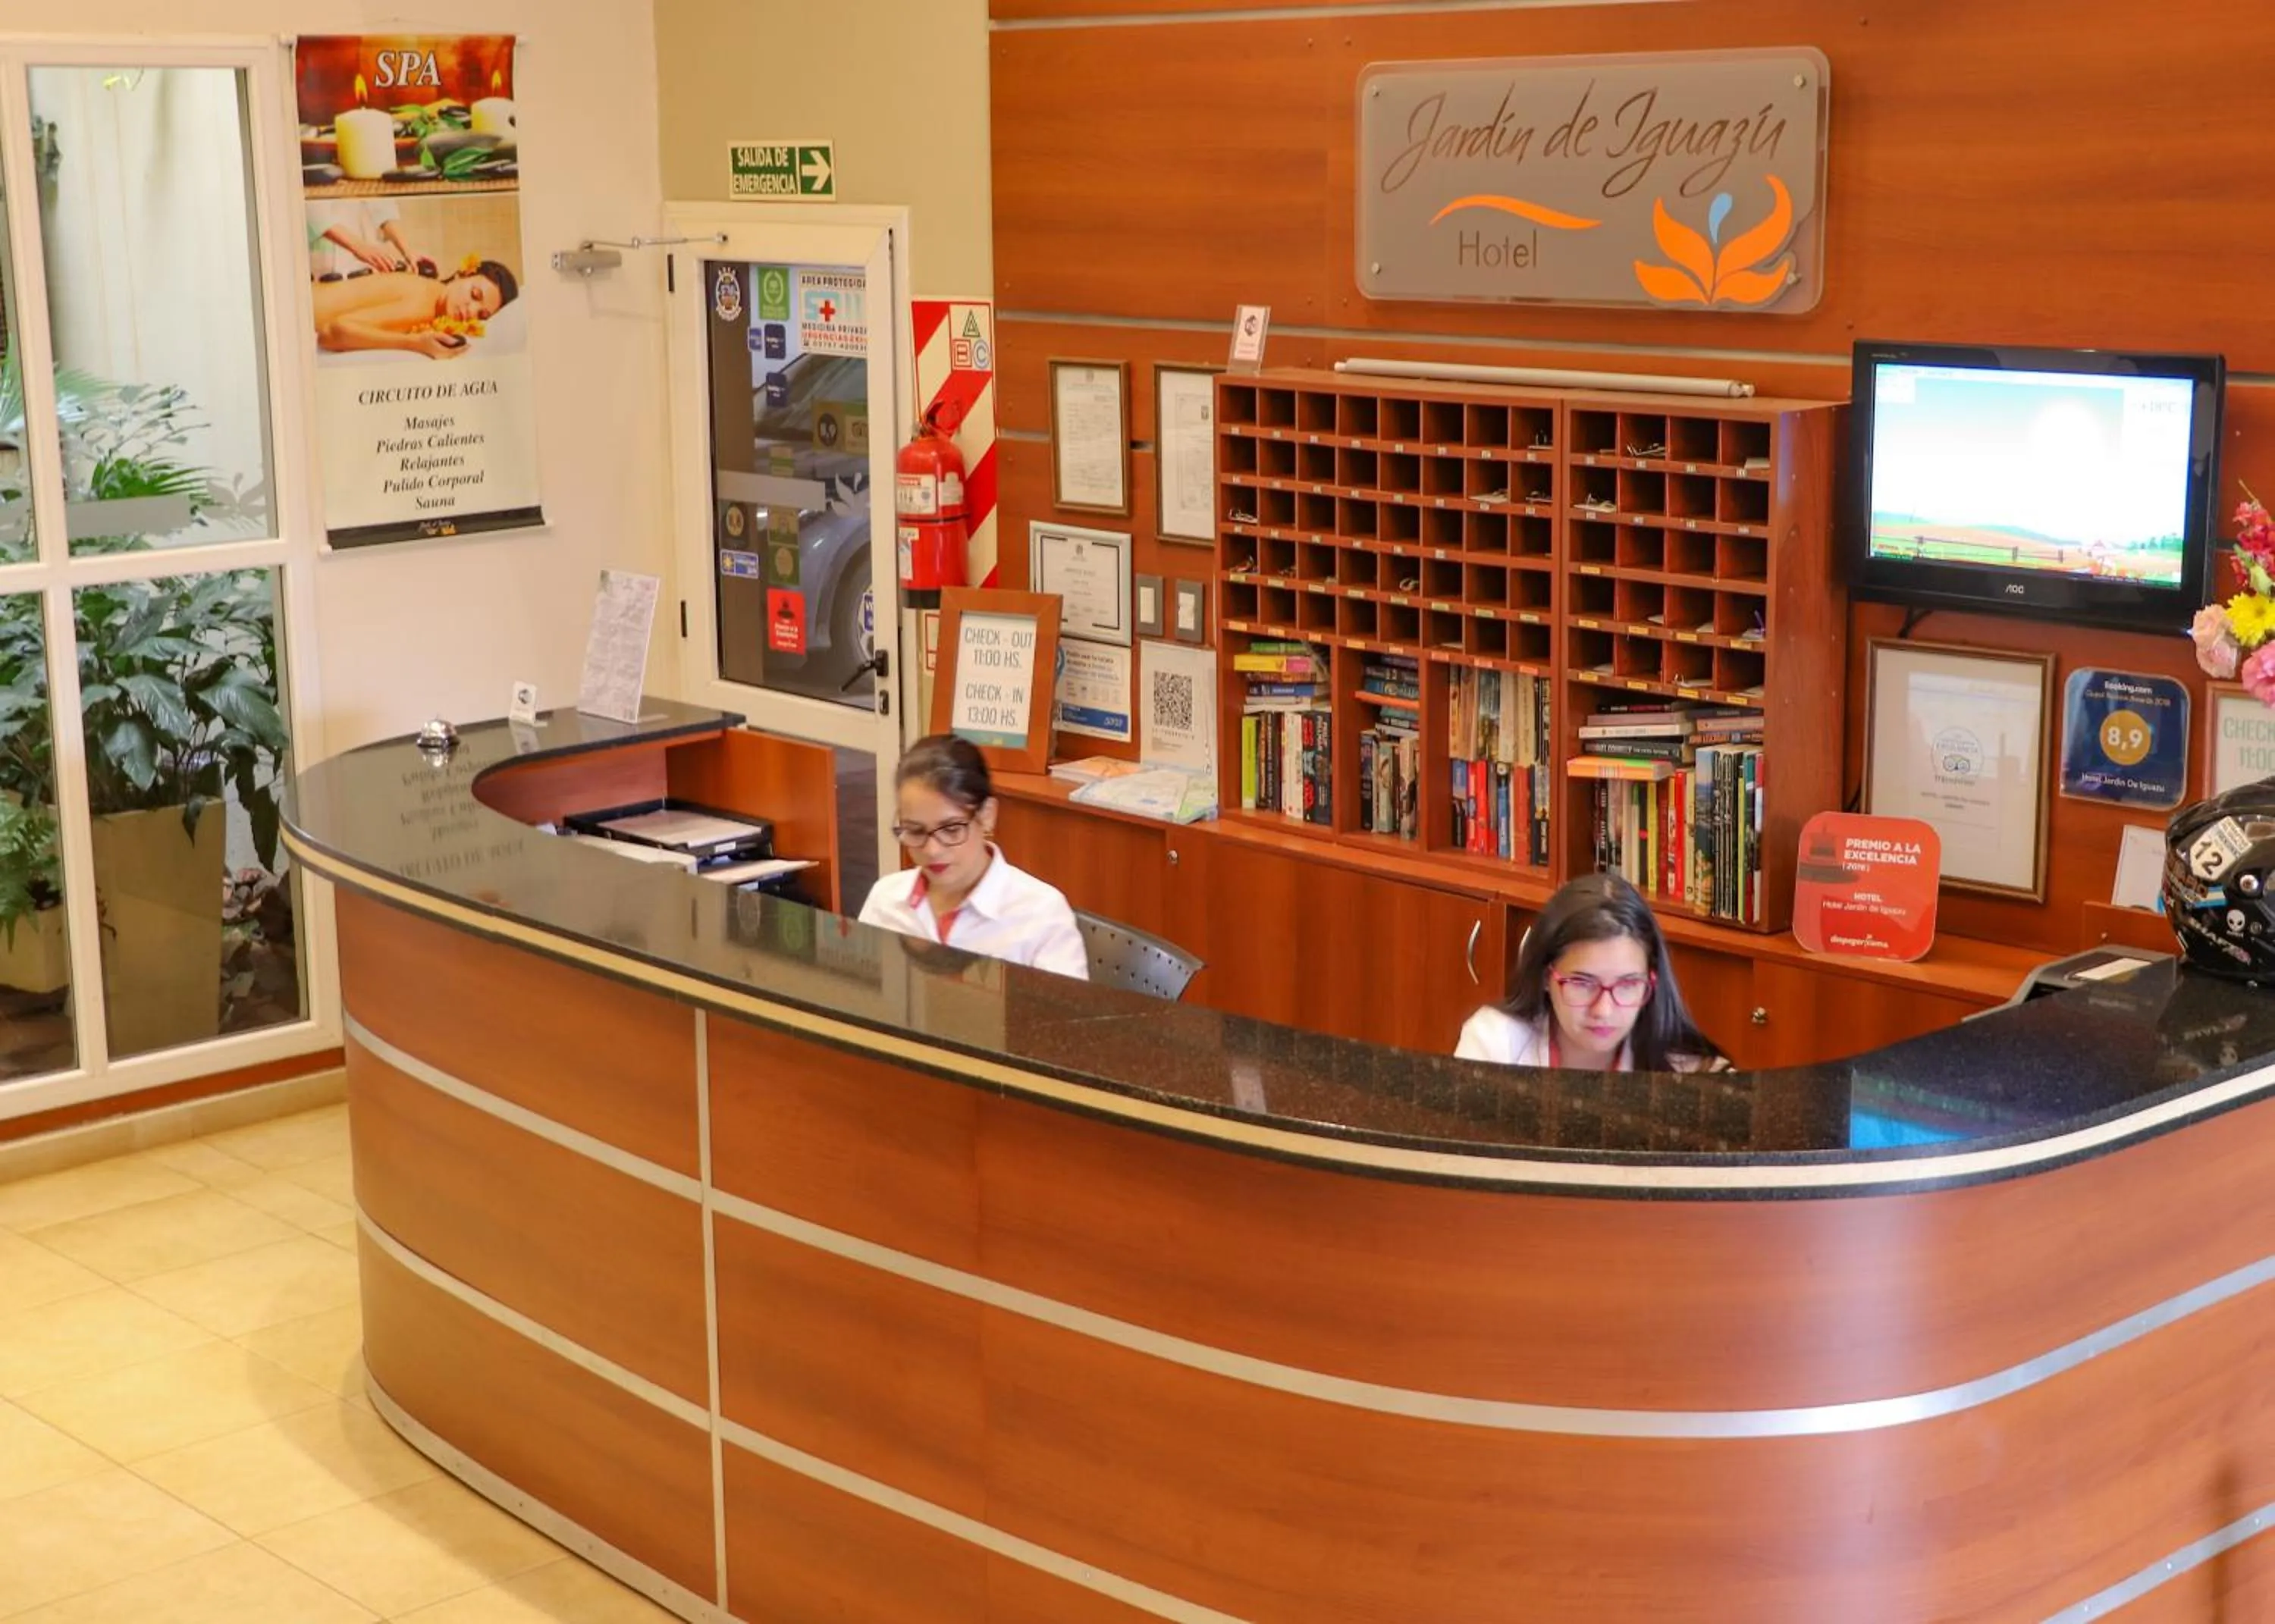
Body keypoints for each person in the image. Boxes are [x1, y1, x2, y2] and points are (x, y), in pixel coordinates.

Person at [858, 734, 1090, 979]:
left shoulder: (1041, 914)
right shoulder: (886, 901)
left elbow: (1061, 1014)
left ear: (987, 815)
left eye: (951, 829)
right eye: (915, 831)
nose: (932, 850)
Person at [1456, 872, 1727, 1071]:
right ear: (1545, 977)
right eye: (1582, 983)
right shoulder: (1492, 1046)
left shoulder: (1695, 1070)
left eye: (1627, 985)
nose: (1604, 1011)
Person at [312, 260, 519, 359]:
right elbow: (332, 332)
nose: (471, 311)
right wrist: (416, 344)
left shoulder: (429, 294)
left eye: (482, 315)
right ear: (465, 273)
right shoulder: (425, 301)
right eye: (475, 295)